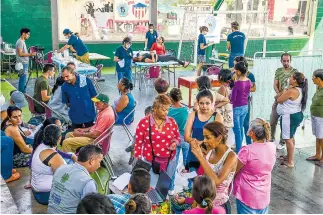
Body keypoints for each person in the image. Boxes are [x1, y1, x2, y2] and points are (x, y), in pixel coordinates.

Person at [134, 95, 180, 187]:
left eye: (168, 109)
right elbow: (138, 143)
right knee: (151, 188)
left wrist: (175, 142)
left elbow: (177, 136)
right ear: (155, 108)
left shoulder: (172, 122)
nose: (166, 112)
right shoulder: (144, 123)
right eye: (163, 110)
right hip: (150, 162)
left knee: (163, 187)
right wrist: (137, 159)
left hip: (169, 161)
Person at [191, 121, 237, 213]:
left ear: (219, 138)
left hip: (219, 206)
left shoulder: (231, 157)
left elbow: (216, 181)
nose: (204, 141)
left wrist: (201, 157)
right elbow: (205, 176)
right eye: (204, 136)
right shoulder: (210, 151)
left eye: (207, 137)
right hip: (205, 202)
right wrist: (196, 200)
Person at [234, 118, 276, 214]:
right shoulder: (272, 147)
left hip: (246, 194)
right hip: (264, 194)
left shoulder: (247, 150)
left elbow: (234, 170)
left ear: (252, 133)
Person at [48, 145, 103, 214]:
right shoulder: (87, 182)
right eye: (99, 161)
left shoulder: (61, 168)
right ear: (91, 161)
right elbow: (91, 210)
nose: (99, 165)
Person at [184, 89, 223, 182]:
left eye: (207, 103)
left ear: (212, 103)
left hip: (210, 155)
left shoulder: (217, 117)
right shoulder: (193, 115)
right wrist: (200, 143)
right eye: (201, 103)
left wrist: (199, 142)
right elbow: (186, 137)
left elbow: (219, 139)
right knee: (193, 184)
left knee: (207, 184)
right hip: (194, 154)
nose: (204, 106)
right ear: (197, 103)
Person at [277, 72, 308, 168]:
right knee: (291, 137)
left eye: (291, 77)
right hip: (295, 115)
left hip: (289, 117)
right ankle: (288, 156)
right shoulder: (300, 89)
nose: (289, 78)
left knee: (288, 139)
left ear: (294, 80)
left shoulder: (291, 91)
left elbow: (279, 99)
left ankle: (290, 162)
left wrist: (285, 90)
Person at [31, 125, 66, 205]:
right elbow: (62, 179)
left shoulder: (40, 146)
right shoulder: (54, 156)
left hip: (37, 189)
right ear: (59, 138)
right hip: (46, 195)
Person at [270, 53, 298, 145]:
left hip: (288, 101)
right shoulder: (278, 71)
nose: (286, 63)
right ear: (281, 61)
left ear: (290, 60)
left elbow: (291, 87)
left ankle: (283, 140)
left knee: (284, 122)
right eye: (284, 61)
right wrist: (278, 94)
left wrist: (280, 95)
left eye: (288, 61)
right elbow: (275, 84)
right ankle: (271, 137)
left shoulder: (294, 72)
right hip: (278, 98)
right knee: (273, 120)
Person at [167, 88, 189, 195]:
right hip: (185, 139)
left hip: (174, 139)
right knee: (187, 163)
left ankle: (171, 188)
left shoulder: (169, 111)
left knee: (173, 164)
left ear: (171, 98)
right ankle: (188, 185)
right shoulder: (186, 111)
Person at [232, 56, 256, 145]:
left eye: (235, 65)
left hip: (243, 102)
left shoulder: (250, 76)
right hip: (242, 103)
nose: (233, 68)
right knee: (239, 127)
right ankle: (240, 144)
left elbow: (254, 89)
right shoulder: (235, 75)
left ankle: (248, 143)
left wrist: (242, 89)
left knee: (245, 125)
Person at [231, 61, 251, 153]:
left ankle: (239, 151)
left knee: (237, 131)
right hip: (245, 106)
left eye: (235, 70)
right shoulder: (248, 81)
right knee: (241, 128)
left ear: (238, 71)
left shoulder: (237, 84)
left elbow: (233, 98)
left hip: (237, 108)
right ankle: (241, 147)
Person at [307, 69, 323, 166]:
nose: (312, 78)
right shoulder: (318, 87)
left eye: (313, 77)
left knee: (321, 137)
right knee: (318, 136)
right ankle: (317, 155)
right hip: (315, 115)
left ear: (318, 78)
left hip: (321, 117)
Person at [16, 28, 36, 93]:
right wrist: (31, 54)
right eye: (28, 34)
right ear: (23, 33)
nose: (29, 36)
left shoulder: (22, 41)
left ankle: (21, 93)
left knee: (23, 79)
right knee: (23, 80)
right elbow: (20, 53)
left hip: (23, 63)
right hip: (22, 64)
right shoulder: (20, 42)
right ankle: (22, 94)